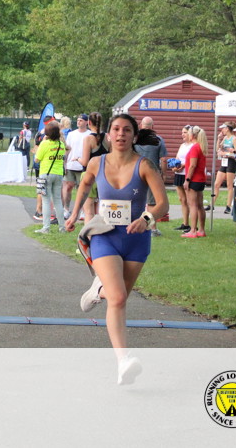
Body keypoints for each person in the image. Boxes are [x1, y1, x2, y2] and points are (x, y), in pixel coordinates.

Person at [66, 113, 168, 385]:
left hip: (136, 240)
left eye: (126, 130)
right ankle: (123, 361)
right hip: (104, 235)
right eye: (116, 129)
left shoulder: (144, 165)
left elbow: (163, 204)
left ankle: (97, 290)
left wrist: (146, 219)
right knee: (119, 297)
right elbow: (85, 184)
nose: (121, 134)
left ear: (134, 136)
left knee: (117, 298)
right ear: (108, 135)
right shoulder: (96, 162)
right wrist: (74, 214)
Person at [135, 117, 168, 237]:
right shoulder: (158, 140)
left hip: (136, 173)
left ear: (141, 126)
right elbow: (163, 159)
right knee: (151, 203)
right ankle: (152, 228)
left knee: (136, 200)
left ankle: (134, 224)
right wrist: (163, 174)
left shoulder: (135, 140)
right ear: (152, 126)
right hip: (152, 174)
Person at [34, 120, 67, 234]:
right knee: (57, 200)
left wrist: (39, 148)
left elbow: (37, 159)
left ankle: (46, 227)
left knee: (46, 201)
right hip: (58, 174)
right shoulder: (61, 144)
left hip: (45, 173)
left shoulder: (44, 144)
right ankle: (62, 227)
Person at [79, 112, 107, 222]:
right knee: (100, 211)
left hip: (89, 176)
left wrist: (78, 159)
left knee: (88, 212)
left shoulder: (88, 139)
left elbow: (85, 162)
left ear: (89, 122)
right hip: (104, 175)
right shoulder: (107, 138)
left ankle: (89, 232)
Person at [62, 114, 91, 223]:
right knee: (68, 187)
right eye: (78, 120)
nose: (79, 122)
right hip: (71, 165)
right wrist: (65, 163)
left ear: (86, 122)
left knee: (82, 190)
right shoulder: (71, 134)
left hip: (83, 166)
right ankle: (66, 209)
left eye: (81, 120)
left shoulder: (89, 134)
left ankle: (83, 211)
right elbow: (67, 149)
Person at [181, 125, 208, 238]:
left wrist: (187, 180)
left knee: (193, 205)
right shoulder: (201, 147)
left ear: (193, 135)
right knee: (200, 205)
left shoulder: (194, 148)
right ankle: (201, 230)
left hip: (194, 179)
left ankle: (193, 230)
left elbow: (192, 165)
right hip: (201, 179)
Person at [172, 125, 194, 233]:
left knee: (190, 200)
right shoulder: (182, 145)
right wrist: (174, 166)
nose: (183, 134)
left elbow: (191, 160)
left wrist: (183, 165)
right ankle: (185, 223)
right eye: (182, 132)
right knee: (182, 199)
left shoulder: (193, 146)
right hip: (179, 173)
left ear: (190, 134)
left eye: (185, 132)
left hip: (187, 174)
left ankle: (193, 225)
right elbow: (177, 158)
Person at [214, 122, 236, 214]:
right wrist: (219, 139)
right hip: (224, 162)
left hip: (231, 162)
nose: (222, 130)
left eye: (223, 128)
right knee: (216, 184)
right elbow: (218, 149)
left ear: (227, 128)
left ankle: (228, 206)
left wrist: (226, 153)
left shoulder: (234, 138)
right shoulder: (224, 138)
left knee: (229, 185)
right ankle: (212, 204)